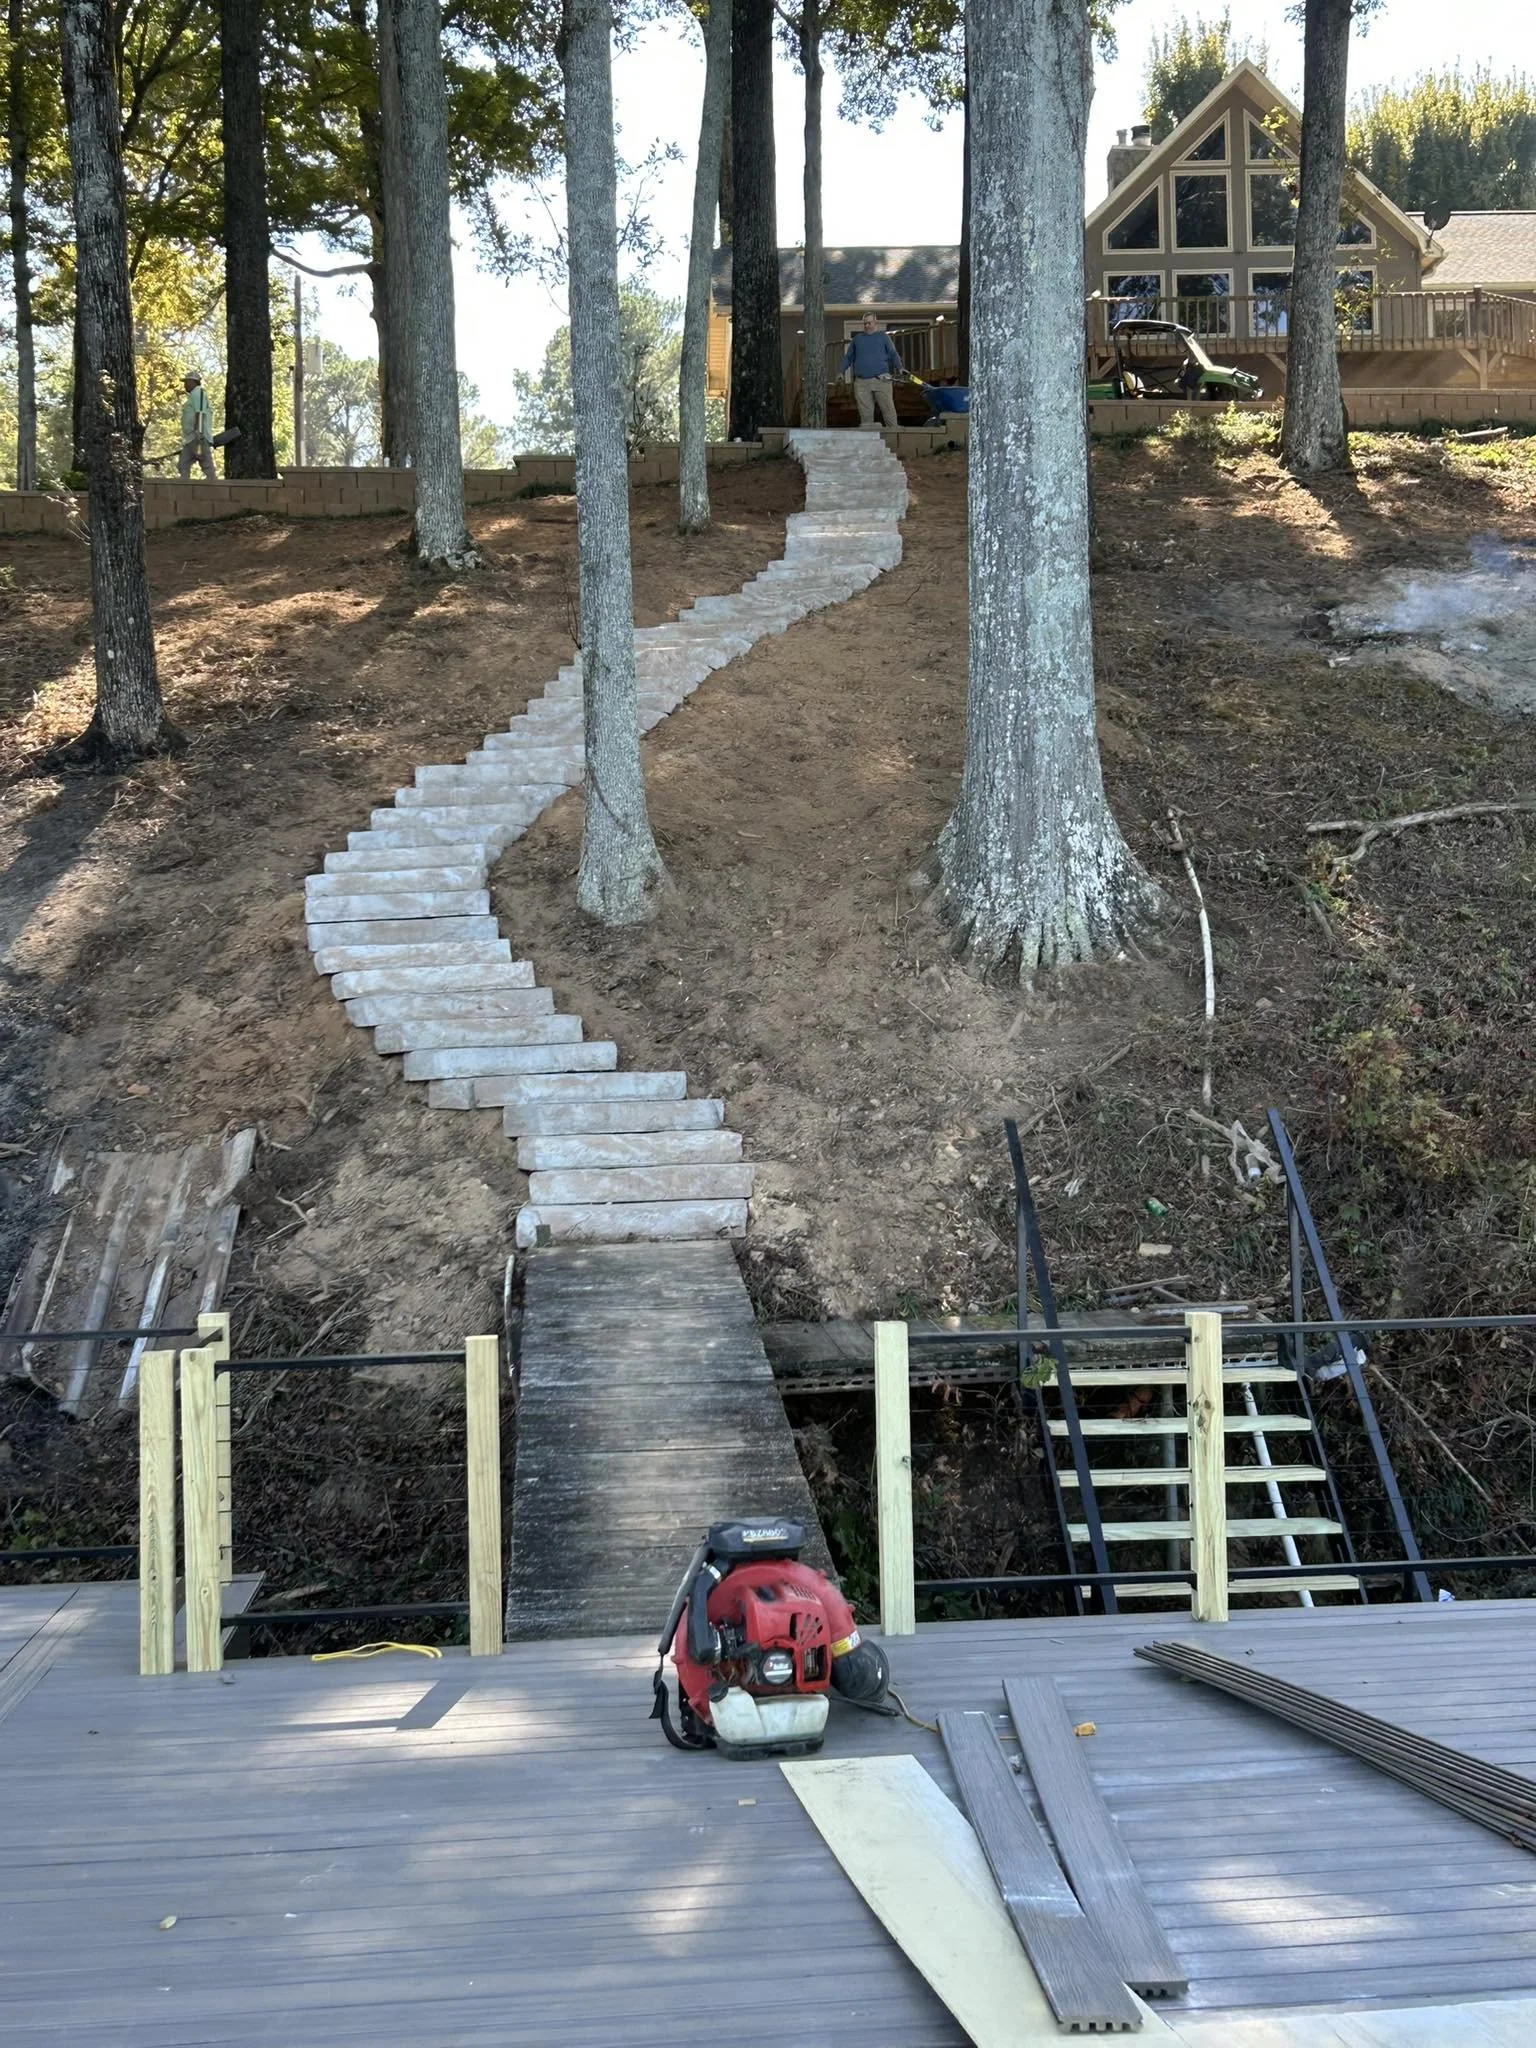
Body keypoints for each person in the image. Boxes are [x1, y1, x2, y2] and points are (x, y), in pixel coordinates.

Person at [840, 312, 902, 431]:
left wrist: (900, 367)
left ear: (875, 322)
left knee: (888, 410)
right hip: (862, 382)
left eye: (869, 323)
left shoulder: (883, 337)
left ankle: (895, 437)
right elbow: (848, 357)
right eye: (865, 324)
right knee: (865, 416)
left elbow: (893, 354)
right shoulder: (857, 339)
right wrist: (841, 371)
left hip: (882, 379)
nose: (867, 325)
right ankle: (869, 442)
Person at [179, 372, 216, 480]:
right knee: (183, 464)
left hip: (198, 437)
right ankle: (185, 488)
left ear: (192, 382)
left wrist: (198, 432)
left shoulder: (198, 393)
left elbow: (200, 412)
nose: (185, 385)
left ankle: (214, 488)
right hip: (192, 438)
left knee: (205, 464)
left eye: (186, 382)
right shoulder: (195, 395)